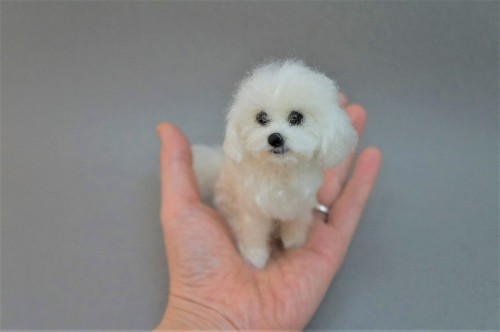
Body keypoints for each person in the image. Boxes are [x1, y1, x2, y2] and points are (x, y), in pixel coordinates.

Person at [154, 100, 381, 330]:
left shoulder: (311, 175)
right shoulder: (246, 175)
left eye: (295, 119)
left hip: (297, 196)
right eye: (263, 120)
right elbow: (251, 215)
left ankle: (293, 232)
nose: (276, 134)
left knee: (301, 208)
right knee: (252, 213)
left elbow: (304, 205)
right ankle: (253, 246)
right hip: (243, 194)